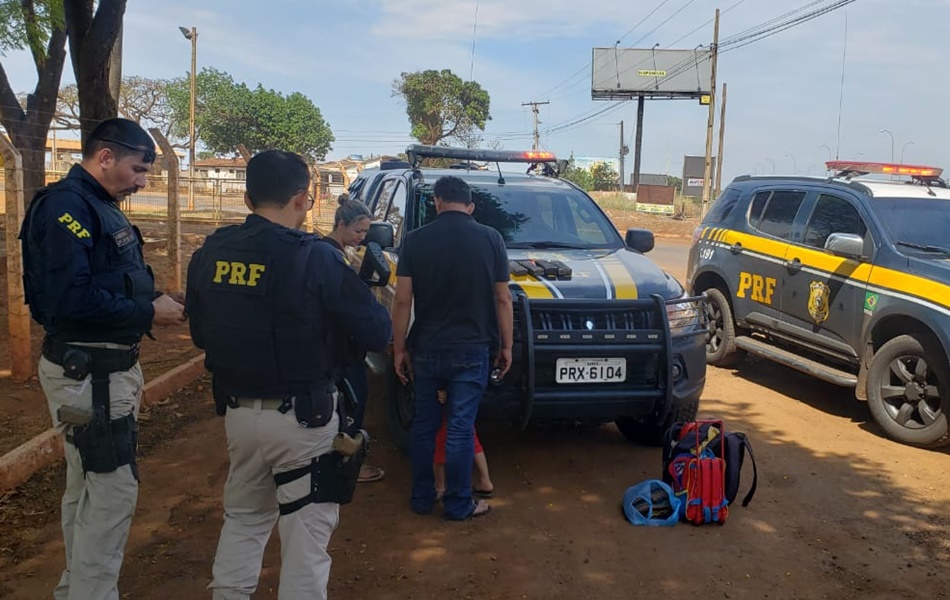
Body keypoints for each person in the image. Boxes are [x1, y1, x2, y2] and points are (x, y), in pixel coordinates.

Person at [186, 150, 391, 600]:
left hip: (239, 416)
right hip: (305, 421)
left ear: (245, 196)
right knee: (306, 539)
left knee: (243, 520)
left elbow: (201, 334)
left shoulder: (213, 251)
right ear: (305, 199)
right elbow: (378, 331)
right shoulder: (317, 258)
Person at [19, 117, 186, 600]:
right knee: (112, 491)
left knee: (87, 484)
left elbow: (106, 281)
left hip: (100, 369)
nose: (143, 181)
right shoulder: (67, 208)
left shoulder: (97, 206)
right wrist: (145, 310)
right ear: (105, 157)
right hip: (90, 374)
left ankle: (77, 587)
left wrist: (154, 299)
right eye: (138, 169)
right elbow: (69, 300)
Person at [392, 175, 513, 521]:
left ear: (437, 201)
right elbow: (502, 298)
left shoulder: (415, 241)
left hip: (427, 347)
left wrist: (399, 348)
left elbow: (403, 300)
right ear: (470, 206)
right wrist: (507, 346)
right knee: (461, 426)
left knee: (424, 423)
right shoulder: (491, 239)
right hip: (473, 349)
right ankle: (459, 503)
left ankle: (422, 496)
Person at [320, 198, 385, 483]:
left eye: (365, 233)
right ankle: (347, 466)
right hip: (338, 349)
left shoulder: (336, 253)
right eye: (358, 231)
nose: (361, 238)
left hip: (337, 346)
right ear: (341, 224)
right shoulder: (329, 255)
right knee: (350, 406)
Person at [433, 390, 494, 500]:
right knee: (470, 435)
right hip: (467, 392)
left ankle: (440, 487)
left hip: (450, 395)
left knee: (441, 439)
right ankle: (485, 480)